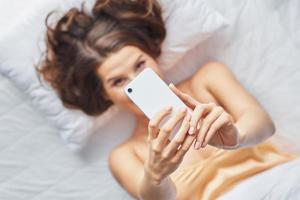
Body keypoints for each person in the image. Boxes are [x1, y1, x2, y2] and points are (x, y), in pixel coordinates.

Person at [36, 0, 298, 199]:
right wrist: (156, 172)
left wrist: (236, 136)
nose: (136, 81)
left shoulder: (207, 79)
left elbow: (263, 124)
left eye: (140, 65)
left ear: (152, 55)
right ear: (104, 94)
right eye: (118, 81)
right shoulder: (127, 154)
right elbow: (155, 197)